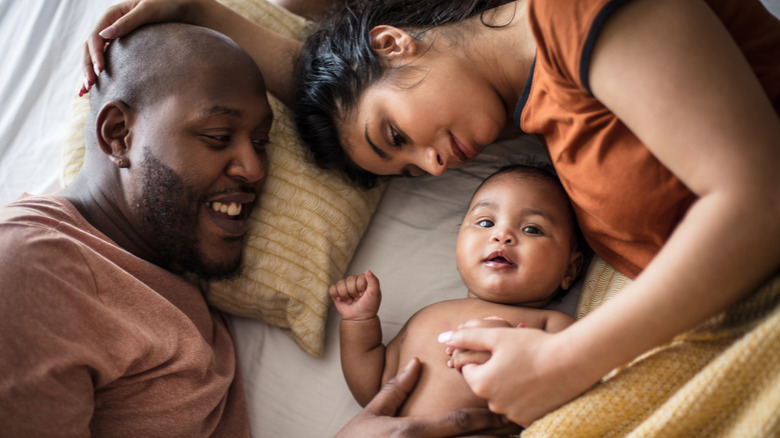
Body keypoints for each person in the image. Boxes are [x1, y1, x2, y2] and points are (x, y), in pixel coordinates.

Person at [82, 0, 780, 430]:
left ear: (394, 42)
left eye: (399, 138)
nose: (436, 166)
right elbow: (331, 79)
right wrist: (198, 10)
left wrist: (568, 359)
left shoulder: (574, 13)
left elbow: (761, 202)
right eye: (411, 168)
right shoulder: (523, 100)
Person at [0, 21, 508, 438]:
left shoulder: (163, 278)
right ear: (118, 135)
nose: (254, 168)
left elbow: (361, 98)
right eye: (218, 136)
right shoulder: (29, 266)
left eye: (262, 142)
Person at [329, 165, 582, 432]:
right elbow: (374, 392)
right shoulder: (426, 317)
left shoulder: (554, 326)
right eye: (486, 223)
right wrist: (359, 323)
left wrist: (511, 354)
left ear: (569, 269)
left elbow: (572, 405)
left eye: (532, 229)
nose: (501, 235)